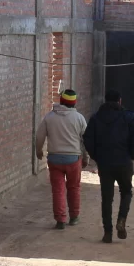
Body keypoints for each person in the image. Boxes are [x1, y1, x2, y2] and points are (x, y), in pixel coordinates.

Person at [83, 89, 134, 243]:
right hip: (124, 162)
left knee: (106, 198)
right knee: (126, 192)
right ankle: (121, 219)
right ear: (119, 101)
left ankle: (108, 233)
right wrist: (132, 154)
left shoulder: (96, 118)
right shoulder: (129, 116)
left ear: (105, 100)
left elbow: (88, 139)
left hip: (105, 164)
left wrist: (97, 157)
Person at [36, 89, 89, 230]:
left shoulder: (49, 117)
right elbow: (86, 140)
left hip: (54, 159)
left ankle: (60, 220)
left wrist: (39, 150)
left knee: (58, 190)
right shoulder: (79, 118)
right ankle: (74, 217)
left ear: (61, 101)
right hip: (73, 159)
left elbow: (40, 136)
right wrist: (86, 157)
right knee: (74, 188)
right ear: (74, 103)